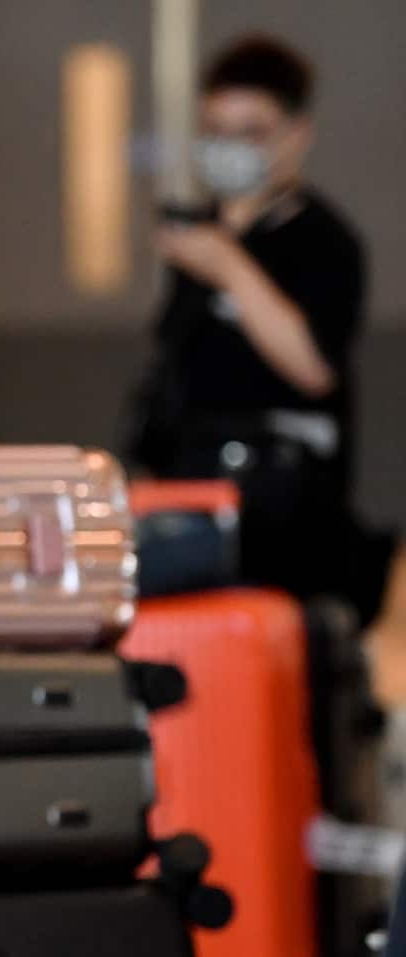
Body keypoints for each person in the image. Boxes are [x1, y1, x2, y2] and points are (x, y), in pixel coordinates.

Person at [129, 34, 393, 624]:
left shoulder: (324, 241)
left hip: (281, 512)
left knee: (132, 567)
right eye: (216, 131)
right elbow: (175, 376)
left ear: (297, 135)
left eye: (250, 132)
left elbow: (314, 367)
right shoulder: (197, 241)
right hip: (187, 490)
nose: (229, 148)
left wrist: (229, 267)